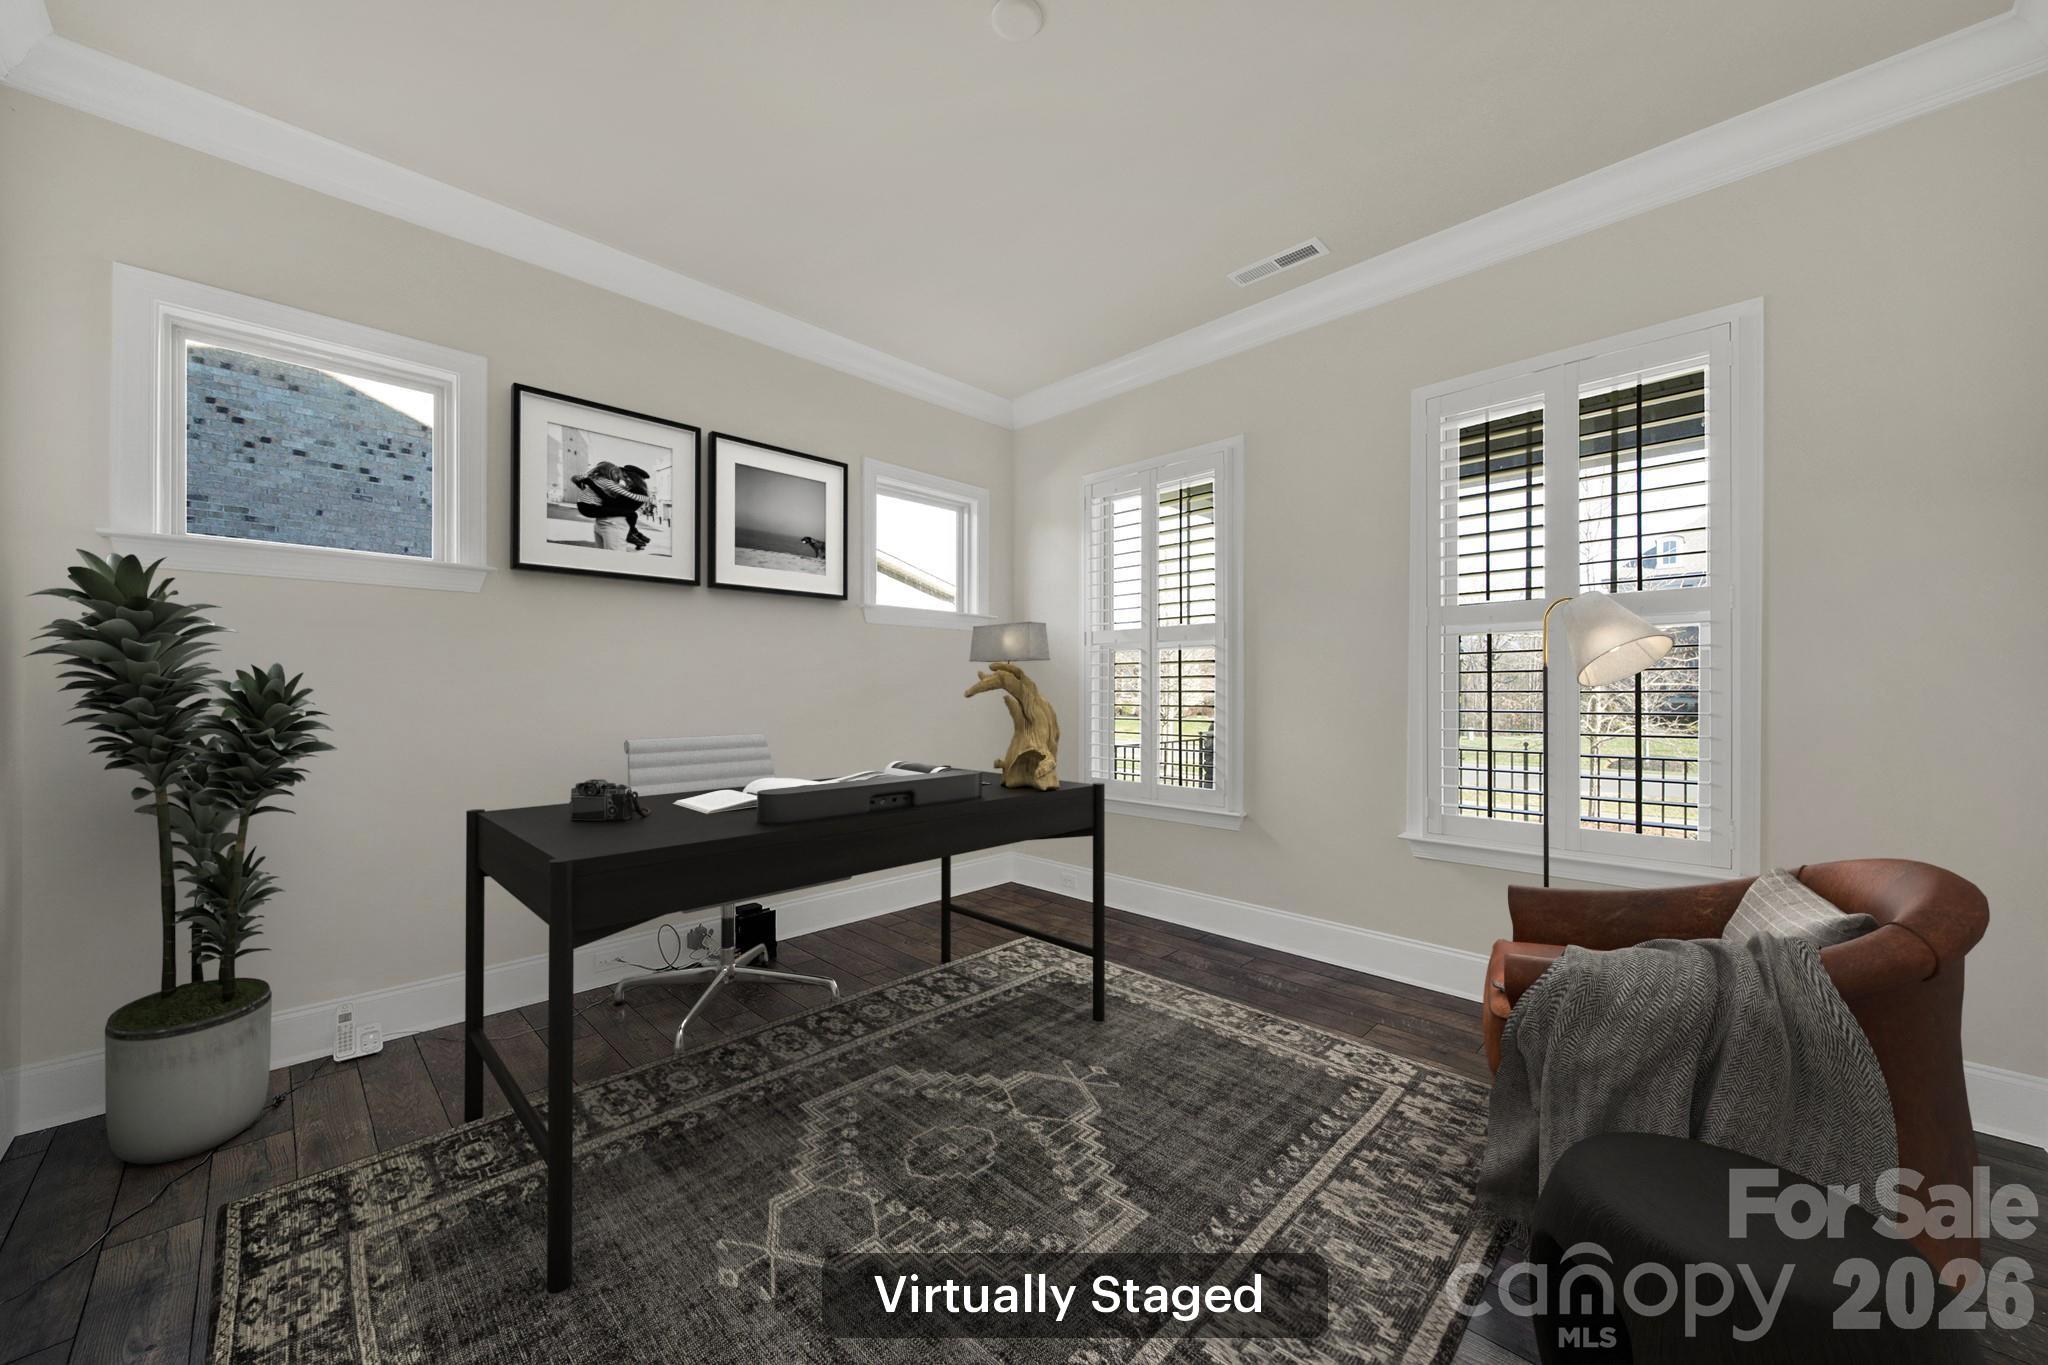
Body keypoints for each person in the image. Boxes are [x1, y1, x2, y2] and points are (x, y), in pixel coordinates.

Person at [571, 461, 655, 551]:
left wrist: (593, 485)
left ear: (635, 478)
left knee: (614, 557)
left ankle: (633, 534)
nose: (623, 479)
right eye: (623, 476)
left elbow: (611, 503)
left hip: (614, 526)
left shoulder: (638, 491)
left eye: (626, 476)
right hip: (604, 523)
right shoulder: (628, 488)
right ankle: (634, 533)